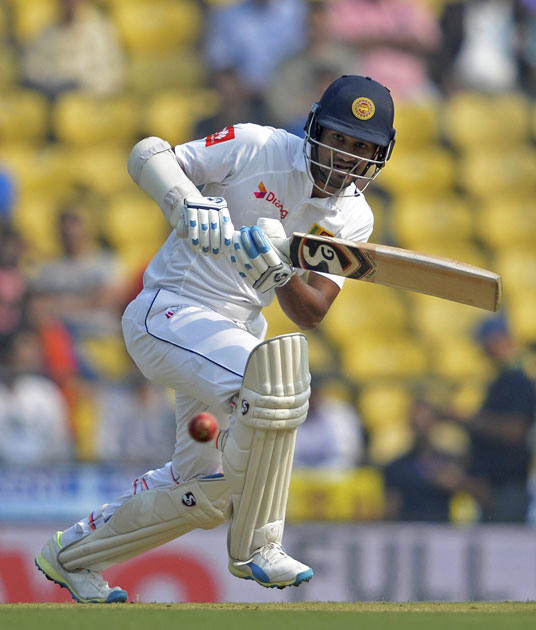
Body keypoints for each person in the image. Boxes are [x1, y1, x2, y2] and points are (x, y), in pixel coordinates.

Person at [35, 74, 397, 603]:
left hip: (233, 333)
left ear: (378, 156)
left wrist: (278, 273)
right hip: (170, 310)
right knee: (276, 382)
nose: (346, 157)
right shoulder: (259, 145)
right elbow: (148, 154)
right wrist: (187, 203)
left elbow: (312, 310)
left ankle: (72, 556)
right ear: (315, 128)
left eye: (361, 147)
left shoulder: (353, 217)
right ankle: (259, 545)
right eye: (339, 139)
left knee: (204, 493)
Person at [460, 316, 536, 522]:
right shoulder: (502, 382)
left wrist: (473, 421)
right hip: (494, 487)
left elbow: (516, 431)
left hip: (507, 488)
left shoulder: (517, 382)